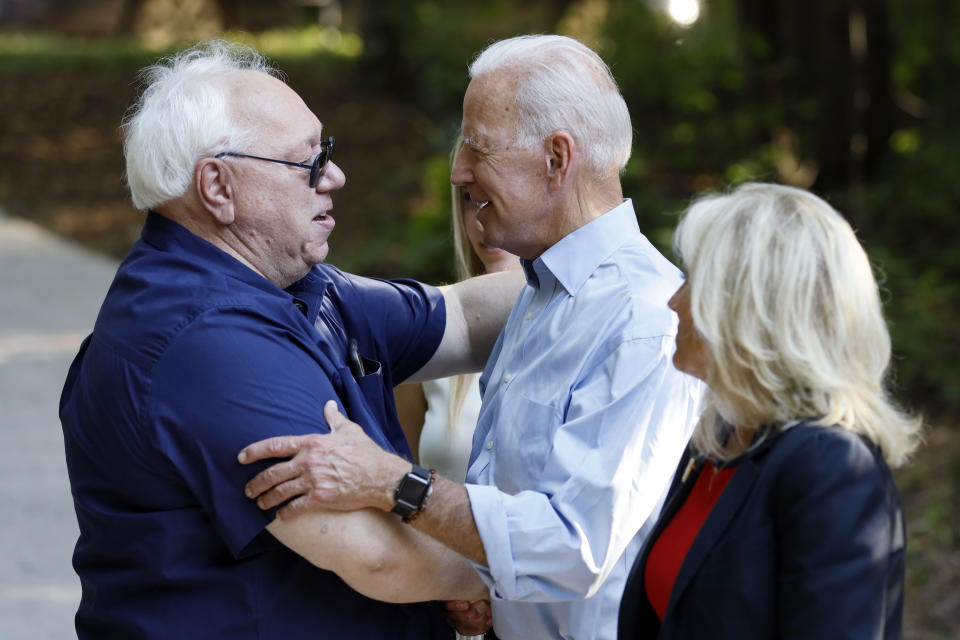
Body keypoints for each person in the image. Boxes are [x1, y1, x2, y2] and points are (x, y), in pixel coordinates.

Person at [239, 35, 704, 640]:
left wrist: (389, 481)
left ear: (556, 159)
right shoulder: (540, 294)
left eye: (478, 149)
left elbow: (572, 547)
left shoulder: (642, 320)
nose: (459, 172)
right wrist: (483, 583)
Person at [58, 40, 523, 639]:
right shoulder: (209, 341)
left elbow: (461, 316)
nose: (335, 176)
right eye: (309, 160)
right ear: (218, 188)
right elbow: (378, 555)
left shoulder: (295, 286)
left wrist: (622, 285)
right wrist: (506, 578)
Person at [616, 183, 921, 639]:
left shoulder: (830, 467)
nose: (673, 302)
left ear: (749, 308)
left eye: (692, 281)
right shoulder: (721, 439)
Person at [396, 143, 522, 481]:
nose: (482, 217)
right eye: (470, 199)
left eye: (494, 194)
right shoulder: (428, 324)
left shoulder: (580, 317)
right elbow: (397, 478)